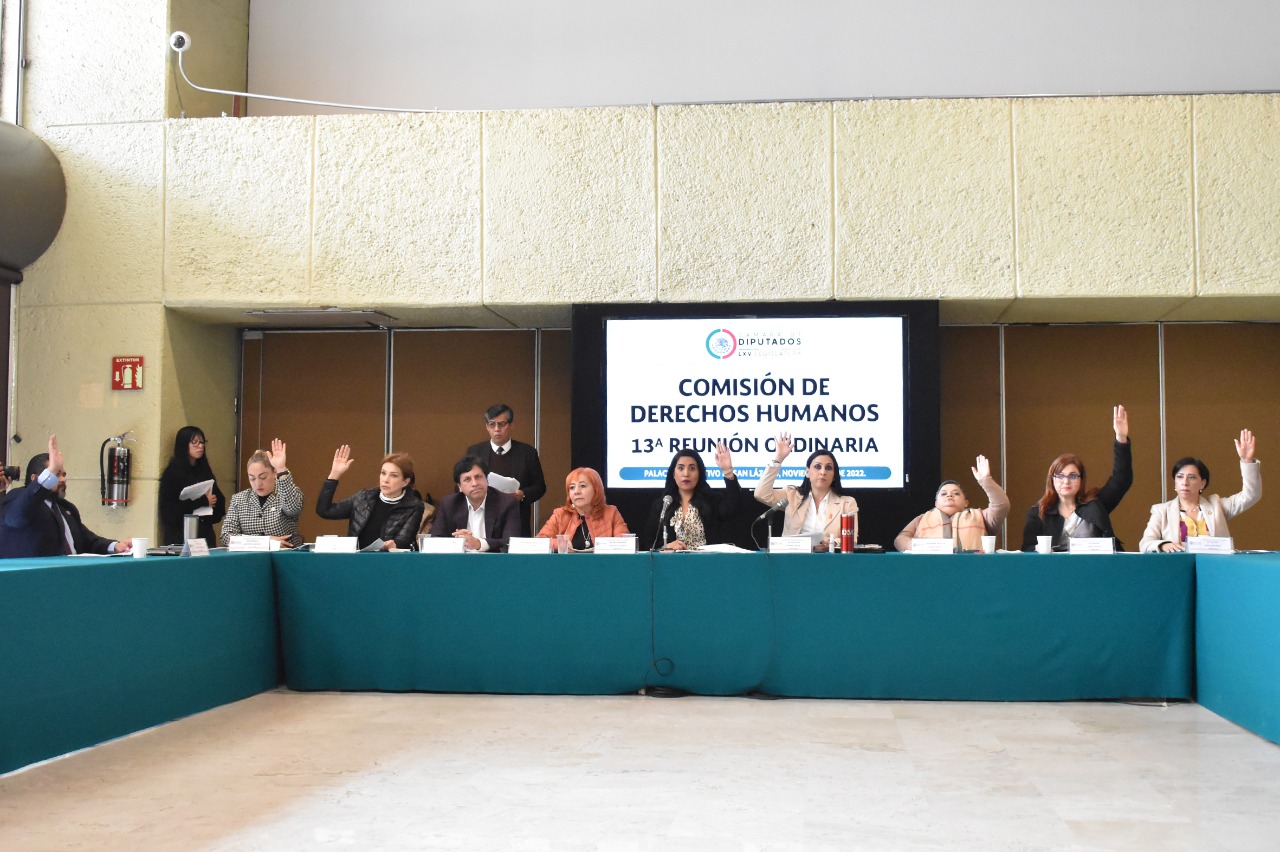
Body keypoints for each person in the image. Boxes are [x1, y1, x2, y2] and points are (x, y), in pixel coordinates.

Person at [1021, 405, 1132, 551]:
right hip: (1055, 565)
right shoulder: (1039, 512)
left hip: (1096, 564)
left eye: (1073, 476)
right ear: (1052, 480)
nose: (1066, 481)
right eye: (1060, 476)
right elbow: (1027, 550)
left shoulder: (1095, 505)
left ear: (1081, 479)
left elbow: (1121, 479)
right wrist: (1041, 549)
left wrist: (1121, 438)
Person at [0, 435, 132, 558]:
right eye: (56, 474)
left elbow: (87, 540)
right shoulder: (18, 497)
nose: (63, 479)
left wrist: (115, 546)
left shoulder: (66, 508)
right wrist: (50, 473)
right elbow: (17, 517)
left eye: (63, 474)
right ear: (35, 478)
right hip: (39, 574)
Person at [1140, 429, 1261, 552]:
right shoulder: (1161, 511)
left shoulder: (1216, 505)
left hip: (1214, 563)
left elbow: (1251, 495)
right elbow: (1145, 543)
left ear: (1202, 483)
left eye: (1192, 477)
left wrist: (1247, 461)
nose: (1185, 482)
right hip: (1178, 563)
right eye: (1180, 477)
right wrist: (1163, 545)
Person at [753, 433, 860, 551]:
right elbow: (761, 494)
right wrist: (778, 459)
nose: (823, 472)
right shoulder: (792, 495)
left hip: (829, 558)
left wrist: (831, 543)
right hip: (793, 556)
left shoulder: (847, 503)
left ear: (834, 475)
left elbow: (852, 540)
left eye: (828, 468)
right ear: (807, 472)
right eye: (817, 467)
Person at [315, 445, 425, 550]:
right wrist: (334, 475)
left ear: (405, 482)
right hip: (358, 559)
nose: (385, 480)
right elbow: (325, 510)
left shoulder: (414, 506)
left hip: (390, 559)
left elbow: (405, 539)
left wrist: (395, 544)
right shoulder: (364, 497)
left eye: (393, 475)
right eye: (383, 473)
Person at [895, 454, 1010, 551]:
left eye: (956, 493)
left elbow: (1001, 505)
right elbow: (900, 539)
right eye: (943, 494)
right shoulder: (921, 519)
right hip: (931, 568)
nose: (949, 495)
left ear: (966, 502)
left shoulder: (982, 517)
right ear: (936, 503)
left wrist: (986, 481)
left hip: (973, 568)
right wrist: (913, 546)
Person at [643, 443, 745, 551]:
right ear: (673, 474)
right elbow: (647, 544)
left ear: (699, 473)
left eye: (692, 468)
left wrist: (728, 471)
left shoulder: (712, 501)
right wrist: (665, 547)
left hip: (707, 560)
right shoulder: (662, 505)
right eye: (681, 468)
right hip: (673, 561)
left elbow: (735, 506)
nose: (686, 474)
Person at [465, 404, 547, 537]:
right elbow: (463, 483)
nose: (496, 429)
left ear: (511, 425)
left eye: (501, 424)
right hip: (483, 518)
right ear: (487, 426)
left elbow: (540, 487)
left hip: (517, 517)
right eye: (492, 424)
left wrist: (522, 495)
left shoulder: (527, 453)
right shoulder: (475, 452)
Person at [220, 439, 305, 548]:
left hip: (285, 554)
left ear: (274, 473)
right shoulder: (239, 499)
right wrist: (264, 542)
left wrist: (281, 469)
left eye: (263, 477)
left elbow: (293, 508)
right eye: (252, 478)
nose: (258, 484)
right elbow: (226, 536)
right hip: (251, 556)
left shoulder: (287, 493)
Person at [430, 454, 522, 552]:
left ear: (487, 480)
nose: (474, 483)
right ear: (459, 487)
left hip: (494, 560)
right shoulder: (449, 504)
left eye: (478, 477)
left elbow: (510, 543)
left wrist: (479, 543)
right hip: (459, 560)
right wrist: (458, 542)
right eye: (467, 479)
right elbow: (435, 540)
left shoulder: (507, 503)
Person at [158, 425, 226, 546]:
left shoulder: (204, 470)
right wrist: (203, 501)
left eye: (202, 442)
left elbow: (219, 504)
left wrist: (214, 501)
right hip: (180, 537)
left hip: (205, 535)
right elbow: (170, 512)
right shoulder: (172, 473)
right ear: (184, 444)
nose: (200, 446)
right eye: (195, 442)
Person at [537, 467, 630, 550]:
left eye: (582, 486)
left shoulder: (611, 513)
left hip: (602, 563)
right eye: (572, 487)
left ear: (596, 490)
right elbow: (539, 542)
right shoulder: (560, 514)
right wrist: (558, 544)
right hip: (568, 563)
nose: (576, 492)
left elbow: (625, 543)